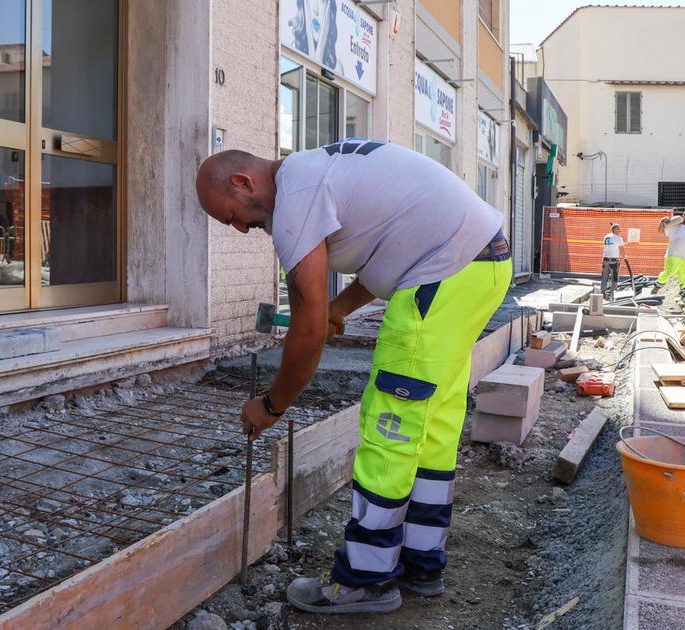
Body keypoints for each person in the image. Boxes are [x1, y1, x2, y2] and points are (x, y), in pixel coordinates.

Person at [195, 140, 511, 615]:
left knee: (390, 427)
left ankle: (365, 580)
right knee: (432, 424)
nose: (241, 228)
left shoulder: (294, 199)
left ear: (244, 182)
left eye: (231, 215)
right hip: (480, 266)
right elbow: (392, 245)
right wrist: (341, 308)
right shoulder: (317, 170)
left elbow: (305, 324)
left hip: (443, 274)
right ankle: (421, 563)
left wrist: (273, 404)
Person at [601, 223, 627, 300]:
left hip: (605, 260)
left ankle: (602, 295)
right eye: (619, 229)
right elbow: (622, 251)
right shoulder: (618, 238)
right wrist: (624, 257)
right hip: (614, 262)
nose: (620, 231)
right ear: (615, 230)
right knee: (614, 279)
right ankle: (613, 296)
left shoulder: (606, 236)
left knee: (604, 278)